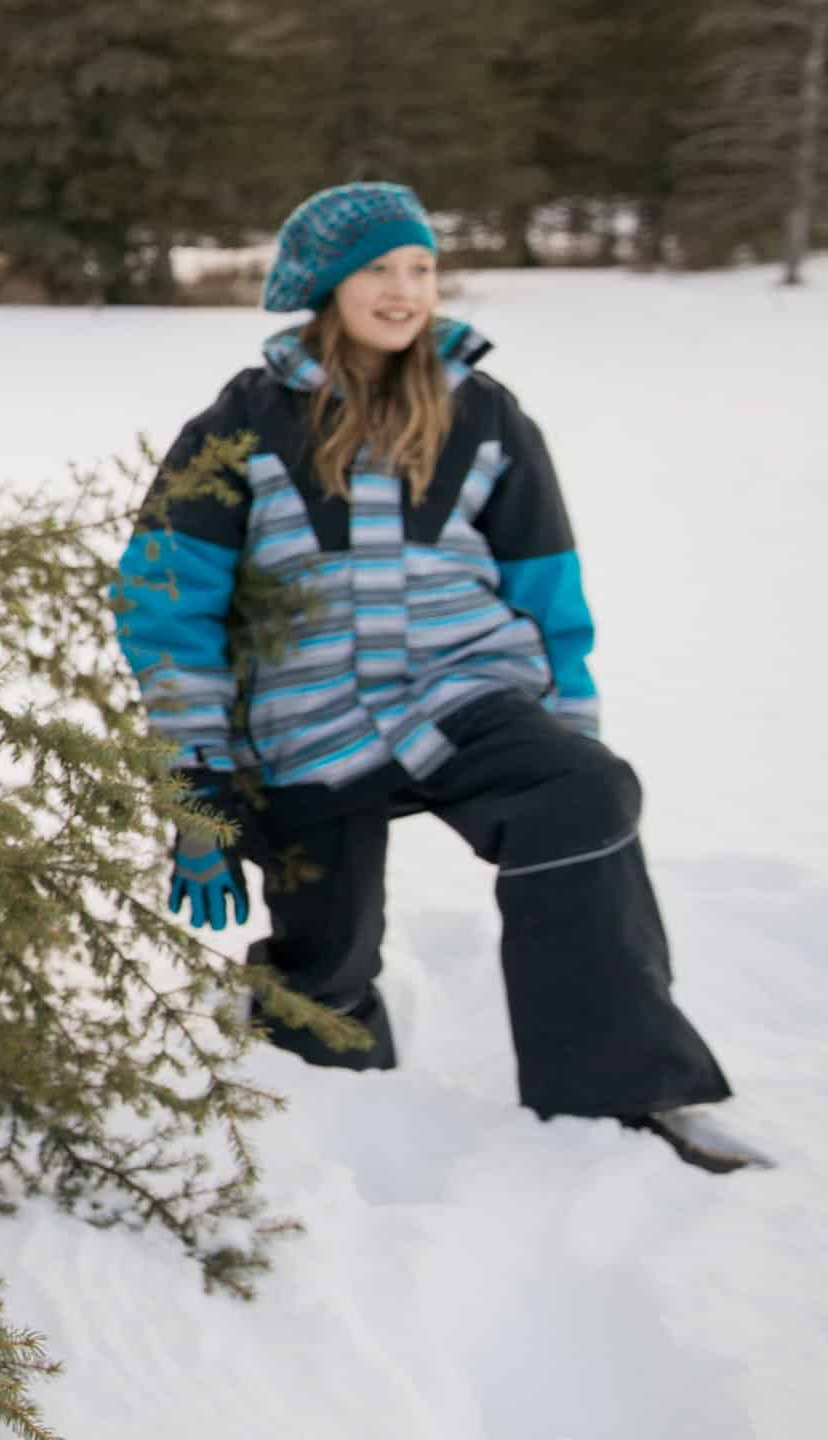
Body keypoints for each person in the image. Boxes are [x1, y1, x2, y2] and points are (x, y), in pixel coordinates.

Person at [113, 182, 763, 1173]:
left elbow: (545, 584)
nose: (404, 288)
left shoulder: (483, 412)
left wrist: (566, 729)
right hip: (308, 721)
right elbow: (166, 603)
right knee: (327, 970)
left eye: (419, 267)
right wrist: (192, 776)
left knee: (583, 796)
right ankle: (306, 1089)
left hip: (460, 694)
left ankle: (618, 1091)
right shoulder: (245, 420)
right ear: (323, 285)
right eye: (378, 267)